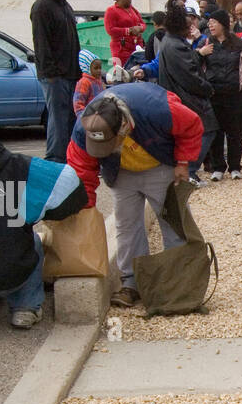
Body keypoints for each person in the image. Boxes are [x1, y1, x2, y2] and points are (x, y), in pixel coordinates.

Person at [67, 82, 202, 308]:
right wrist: (85, 208)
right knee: (126, 226)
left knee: (173, 222)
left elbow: (192, 125)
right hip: (120, 173)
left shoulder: (158, 109)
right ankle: (132, 283)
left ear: (123, 127)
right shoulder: (84, 129)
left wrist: (182, 161)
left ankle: (178, 283)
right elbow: (81, 172)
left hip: (160, 165)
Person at [0, 133, 87, 333]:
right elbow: (68, 181)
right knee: (33, 240)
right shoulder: (20, 167)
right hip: (13, 270)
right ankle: (25, 307)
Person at [150, 0, 216, 187]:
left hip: (178, 95)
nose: (191, 27)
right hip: (188, 97)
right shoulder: (176, 45)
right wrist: (208, 89)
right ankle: (191, 171)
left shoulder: (171, 42)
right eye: (187, 25)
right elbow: (189, 76)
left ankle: (188, 170)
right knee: (206, 130)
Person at [29, 0, 81, 162]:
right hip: (54, 77)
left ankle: (70, 159)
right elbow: (41, 44)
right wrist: (51, 74)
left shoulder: (65, 6)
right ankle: (54, 160)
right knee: (58, 121)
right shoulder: (42, 7)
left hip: (71, 73)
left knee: (70, 118)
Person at [198, 8, 242, 181]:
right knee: (216, 131)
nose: (210, 25)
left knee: (235, 131)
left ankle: (235, 166)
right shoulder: (206, 43)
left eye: (214, 22)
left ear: (223, 24)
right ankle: (218, 167)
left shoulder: (239, 44)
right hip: (213, 93)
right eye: (209, 23)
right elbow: (194, 64)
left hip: (235, 94)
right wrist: (200, 54)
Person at [104, 0, 145, 68]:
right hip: (121, 49)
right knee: (122, 73)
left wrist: (139, 28)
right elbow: (110, 30)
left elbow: (142, 23)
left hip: (137, 48)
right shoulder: (111, 11)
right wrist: (128, 31)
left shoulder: (132, 9)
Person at [73, 50, 105, 116]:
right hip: (88, 116)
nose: (99, 70)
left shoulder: (99, 80)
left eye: (100, 68)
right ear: (87, 68)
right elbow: (78, 102)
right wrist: (81, 116)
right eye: (96, 68)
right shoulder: (84, 82)